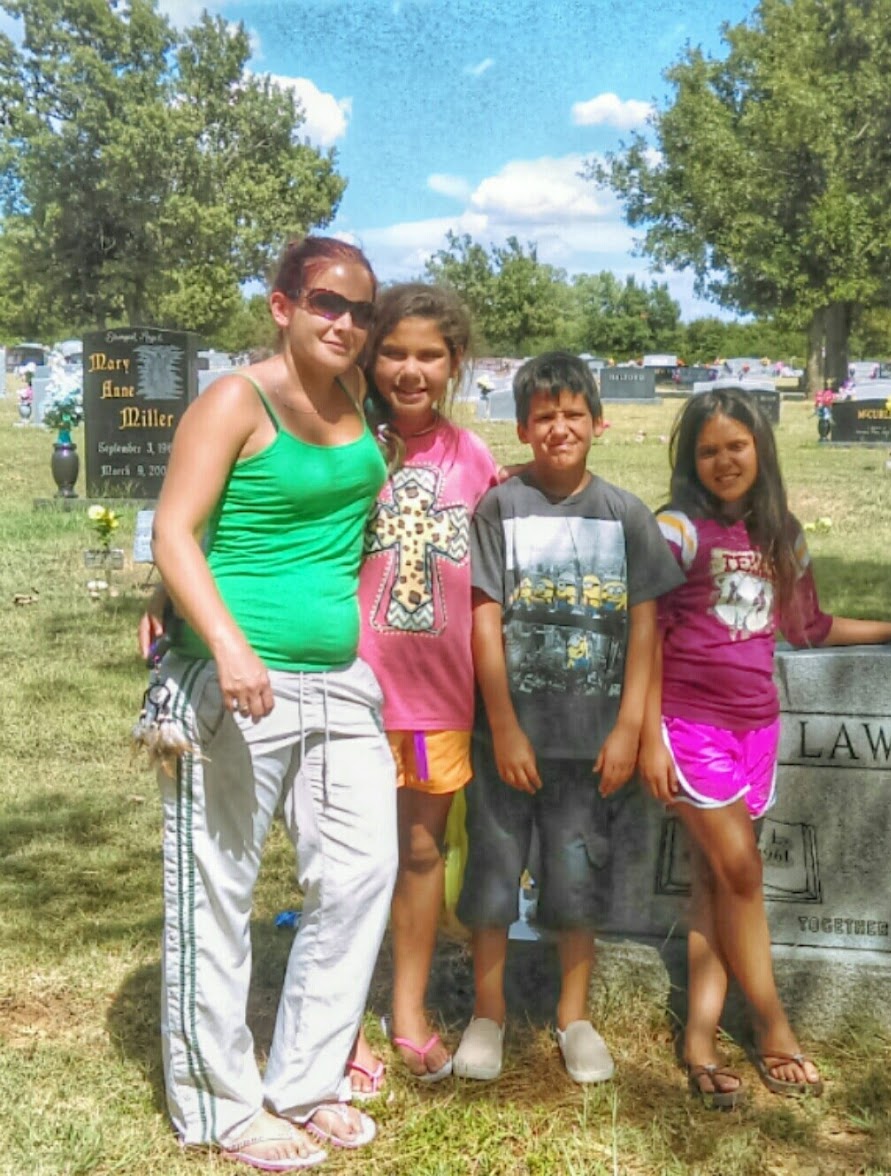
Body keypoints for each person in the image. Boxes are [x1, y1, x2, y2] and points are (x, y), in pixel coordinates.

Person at [148, 237, 391, 1169]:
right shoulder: (232, 401)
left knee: (361, 873)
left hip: (341, 683)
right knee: (217, 890)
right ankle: (219, 1105)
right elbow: (175, 529)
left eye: (361, 311)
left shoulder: (356, 398)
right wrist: (225, 642)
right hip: (238, 682)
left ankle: (306, 1076)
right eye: (329, 303)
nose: (348, 324)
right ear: (283, 305)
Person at [641, 387, 891, 1107]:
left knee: (717, 886)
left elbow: (807, 625)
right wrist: (647, 735)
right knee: (745, 873)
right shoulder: (676, 530)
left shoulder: (782, 532)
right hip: (692, 727)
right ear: (692, 458)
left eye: (737, 447)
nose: (724, 460)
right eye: (709, 449)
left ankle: (699, 1039)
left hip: (759, 727)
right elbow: (643, 632)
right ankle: (774, 1028)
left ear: (762, 451)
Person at [454, 351, 683, 1085]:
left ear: (598, 422)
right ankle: (486, 1013)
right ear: (521, 426)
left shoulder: (625, 515)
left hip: (592, 745)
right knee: (494, 874)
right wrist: (506, 724)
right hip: (506, 741)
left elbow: (646, 629)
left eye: (572, 415)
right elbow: (485, 620)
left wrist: (631, 729)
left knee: (576, 881)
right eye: (543, 416)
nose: (559, 428)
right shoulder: (499, 509)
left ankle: (573, 1016)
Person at [342, 284, 504, 1095]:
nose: (411, 370)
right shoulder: (344, 443)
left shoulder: (473, 460)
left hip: (437, 697)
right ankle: (335, 1025)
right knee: (348, 861)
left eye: (429, 355)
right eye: (395, 352)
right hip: (349, 689)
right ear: (370, 357)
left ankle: (405, 1013)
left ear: (454, 365)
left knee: (418, 853)